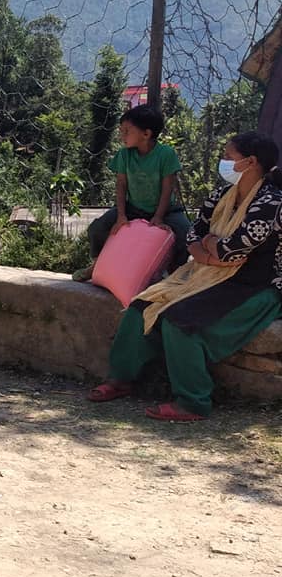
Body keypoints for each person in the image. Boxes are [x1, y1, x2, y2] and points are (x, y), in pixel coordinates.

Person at [88, 132, 282, 421]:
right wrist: (208, 252)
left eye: (228, 157)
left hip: (253, 285)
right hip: (205, 271)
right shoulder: (222, 194)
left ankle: (194, 401)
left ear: (250, 162)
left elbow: (234, 249)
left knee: (181, 321)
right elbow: (196, 232)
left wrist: (212, 247)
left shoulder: (271, 202)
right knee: (142, 306)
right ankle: (121, 379)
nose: (223, 162)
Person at [73, 104, 190, 281]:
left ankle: (175, 274)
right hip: (132, 207)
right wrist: (121, 215)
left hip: (165, 210)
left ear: (146, 134)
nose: (122, 135)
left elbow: (168, 189)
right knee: (97, 229)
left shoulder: (166, 154)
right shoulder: (124, 154)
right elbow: (121, 185)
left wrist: (158, 217)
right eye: (121, 131)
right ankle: (97, 265)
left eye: (127, 131)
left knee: (186, 232)